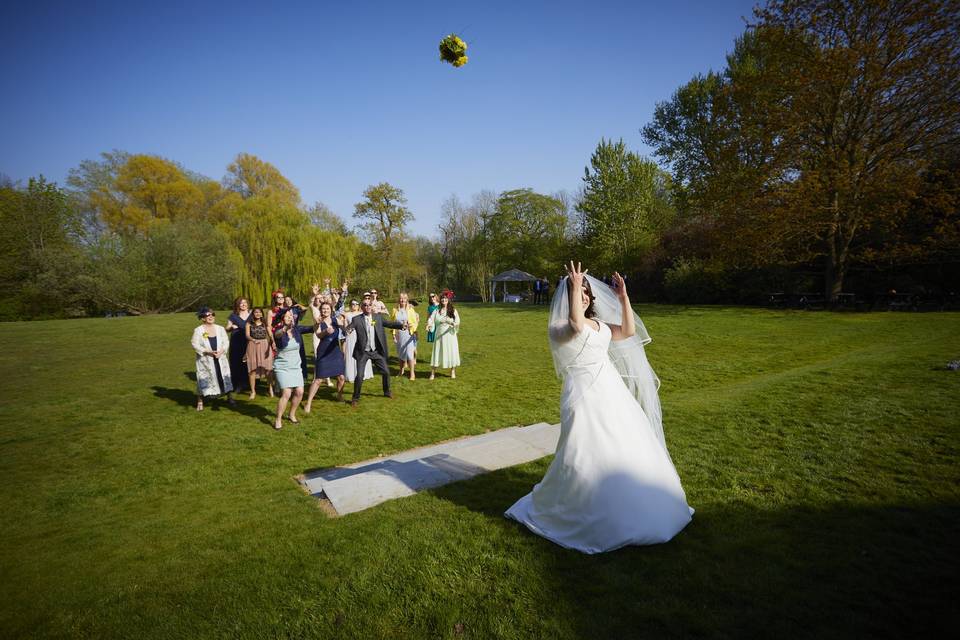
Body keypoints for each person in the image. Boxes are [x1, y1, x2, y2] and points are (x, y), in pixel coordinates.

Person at [505, 262, 692, 554]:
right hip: (582, 396)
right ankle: (584, 505)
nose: (583, 296)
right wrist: (574, 285)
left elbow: (628, 331)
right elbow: (576, 326)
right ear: (568, 298)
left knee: (624, 445)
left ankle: (635, 502)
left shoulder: (601, 326)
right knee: (584, 450)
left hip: (612, 393)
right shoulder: (560, 328)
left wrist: (623, 298)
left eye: (586, 293)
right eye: (578, 293)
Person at [345, 299, 406, 406]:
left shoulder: (377, 317)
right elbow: (350, 327)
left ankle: (386, 391)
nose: (368, 306)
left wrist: (401, 326)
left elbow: (389, 324)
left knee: (386, 372)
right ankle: (355, 398)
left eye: (369, 305)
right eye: (365, 305)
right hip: (363, 352)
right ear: (362, 307)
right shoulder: (357, 319)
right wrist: (348, 330)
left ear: (371, 306)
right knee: (359, 376)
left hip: (376, 351)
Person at [271, 308, 312, 430]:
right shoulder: (279, 330)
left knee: (299, 392)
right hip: (282, 366)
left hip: (295, 366)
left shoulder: (296, 330)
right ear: (282, 318)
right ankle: (278, 419)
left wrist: (318, 322)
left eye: (291, 315)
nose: (290, 317)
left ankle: (291, 414)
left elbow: (311, 329)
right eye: (287, 316)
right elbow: (277, 334)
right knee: (287, 392)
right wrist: (285, 328)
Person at [304, 301, 347, 411]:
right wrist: (325, 332)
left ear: (331, 310)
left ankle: (340, 395)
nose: (325, 310)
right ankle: (308, 403)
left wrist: (345, 320)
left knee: (341, 377)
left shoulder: (335, 320)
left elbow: (345, 330)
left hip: (335, 351)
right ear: (321, 310)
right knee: (318, 379)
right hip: (323, 352)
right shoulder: (318, 321)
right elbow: (318, 335)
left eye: (327, 308)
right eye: (323, 309)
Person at [190, 307, 235, 411]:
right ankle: (200, 401)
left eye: (212, 314)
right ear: (203, 318)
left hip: (220, 358)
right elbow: (194, 343)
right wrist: (207, 351)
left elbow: (226, 341)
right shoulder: (198, 330)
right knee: (203, 378)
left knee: (224, 376)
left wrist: (222, 351)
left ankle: (229, 397)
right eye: (208, 315)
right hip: (206, 359)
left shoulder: (220, 328)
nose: (211, 317)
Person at [428, 291, 460, 379]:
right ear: (440, 300)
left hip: (450, 335)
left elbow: (457, 321)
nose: (444, 300)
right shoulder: (437, 310)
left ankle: (452, 371)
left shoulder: (453, 310)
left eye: (446, 298)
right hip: (439, 335)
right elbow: (431, 319)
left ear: (448, 300)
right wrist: (429, 324)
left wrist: (453, 323)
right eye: (442, 298)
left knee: (451, 351)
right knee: (437, 352)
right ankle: (432, 373)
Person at [341, 299, 374, 385]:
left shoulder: (362, 314)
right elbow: (346, 328)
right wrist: (344, 321)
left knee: (363, 353)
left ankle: (363, 373)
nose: (354, 305)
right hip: (351, 337)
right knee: (351, 354)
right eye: (352, 304)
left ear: (359, 305)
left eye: (356, 304)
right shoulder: (347, 314)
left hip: (361, 336)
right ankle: (351, 375)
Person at [244, 307, 274, 400]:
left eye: (259, 312)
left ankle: (270, 389)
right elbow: (247, 335)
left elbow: (270, 334)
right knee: (252, 369)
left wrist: (273, 343)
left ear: (262, 314)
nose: (257, 314)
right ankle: (253, 391)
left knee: (268, 368)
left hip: (264, 345)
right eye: (255, 312)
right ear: (253, 314)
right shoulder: (249, 323)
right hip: (252, 346)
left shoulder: (265, 323)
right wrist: (253, 340)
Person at [225, 297, 251, 391]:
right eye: (241, 303)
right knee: (236, 361)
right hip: (236, 341)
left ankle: (249, 383)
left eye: (245, 302)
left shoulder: (252, 314)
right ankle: (237, 384)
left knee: (249, 361)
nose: (243, 304)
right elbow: (226, 328)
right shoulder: (233, 315)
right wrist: (231, 327)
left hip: (249, 340)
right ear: (237, 305)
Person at [392, 292, 419, 380]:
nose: (402, 300)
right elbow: (392, 323)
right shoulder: (395, 310)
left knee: (409, 354)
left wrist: (412, 326)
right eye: (401, 298)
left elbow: (415, 322)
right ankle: (401, 371)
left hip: (409, 334)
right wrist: (393, 334)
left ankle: (412, 373)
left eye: (404, 298)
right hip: (399, 334)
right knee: (401, 354)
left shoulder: (410, 310)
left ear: (407, 300)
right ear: (398, 299)